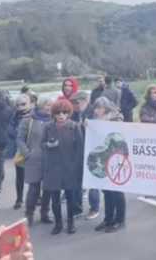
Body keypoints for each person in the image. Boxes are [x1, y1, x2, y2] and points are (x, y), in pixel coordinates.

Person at [42, 99, 83, 235]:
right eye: (58, 113)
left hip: (69, 167)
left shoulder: (74, 126)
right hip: (53, 168)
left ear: (68, 113)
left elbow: (80, 149)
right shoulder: (47, 127)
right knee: (55, 199)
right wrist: (48, 145)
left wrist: (76, 166)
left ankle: (71, 222)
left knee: (71, 197)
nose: (61, 115)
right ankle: (58, 223)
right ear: (53, 114)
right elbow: (41, 144)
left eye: (64, 112)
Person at [93, 97, 127, 234]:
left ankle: (120, 220)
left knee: (117, 191)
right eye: (95, 107)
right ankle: (108, 218)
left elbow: (118, 135)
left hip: (116, 157)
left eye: (99, 107)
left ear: (106, 108)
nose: (96, 110)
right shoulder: (95, 121)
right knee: (106, 190)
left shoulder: (116, 119)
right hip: (103, 158)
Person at [17, 98, 52, 227]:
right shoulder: (28, 120)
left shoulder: (54, 119)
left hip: (49, 159)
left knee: (48, 188)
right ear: (42, 105)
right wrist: (27, 153)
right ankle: (29, 213)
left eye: (51, 105)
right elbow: (20, 139)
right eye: (47, 104)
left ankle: (45, 213)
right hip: (33, 159)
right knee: (34, 188)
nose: (49, 107)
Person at [69, 91, 100, 221]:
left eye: (76, 102)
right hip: (78, 151)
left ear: (85, 101)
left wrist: (90, 126)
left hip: (93, 151)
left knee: (92, 182)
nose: (75, 105)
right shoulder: (75, 113)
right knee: (77, 180)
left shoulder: (94, 112)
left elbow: (102, 129)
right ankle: (77, 208)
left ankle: (94, 208)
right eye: (73, 103)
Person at [7, 94, 33, 210]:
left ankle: (36, 197)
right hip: (20, 150)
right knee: (20, 176)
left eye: (23, 104)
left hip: (34, 149)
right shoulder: (14, 116)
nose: (20, 107)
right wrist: (19, 135)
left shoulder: (35, 115)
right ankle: (19, 198)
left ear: (30, 104)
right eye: (18, 105)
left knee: (35, 176)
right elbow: (10, 131)